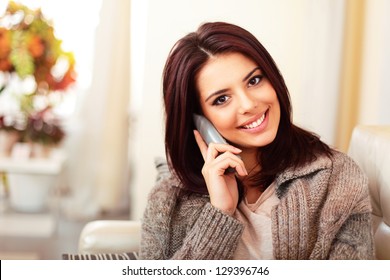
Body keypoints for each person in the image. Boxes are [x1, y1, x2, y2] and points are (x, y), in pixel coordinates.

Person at [139, 22, 374, 260]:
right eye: (221, 99)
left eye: (254, 81)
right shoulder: (167, 198)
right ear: (198, 120)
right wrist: (220, 213)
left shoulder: (338, 179)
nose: (248, 104)